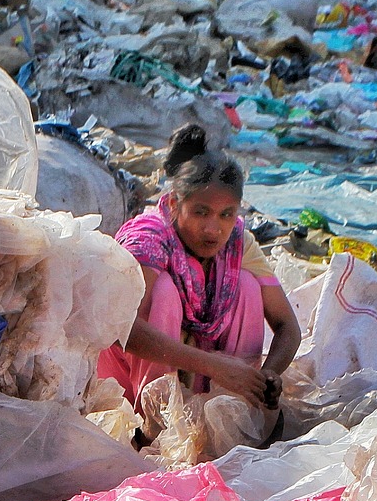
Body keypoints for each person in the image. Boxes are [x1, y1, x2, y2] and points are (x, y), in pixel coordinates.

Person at [98, 123, 304, 412]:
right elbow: (122, 329)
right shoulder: (148, 238)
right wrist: (216, 367)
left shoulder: (237, 243)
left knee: (246, 286)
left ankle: (236, 408)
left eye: (226, 215)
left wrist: (267, 375)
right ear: (173, 205)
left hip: (203, 375)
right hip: (125, 388)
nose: (213, 229)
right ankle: (153, 419)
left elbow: (287, 327)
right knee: (166, 292)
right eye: (201, 212)